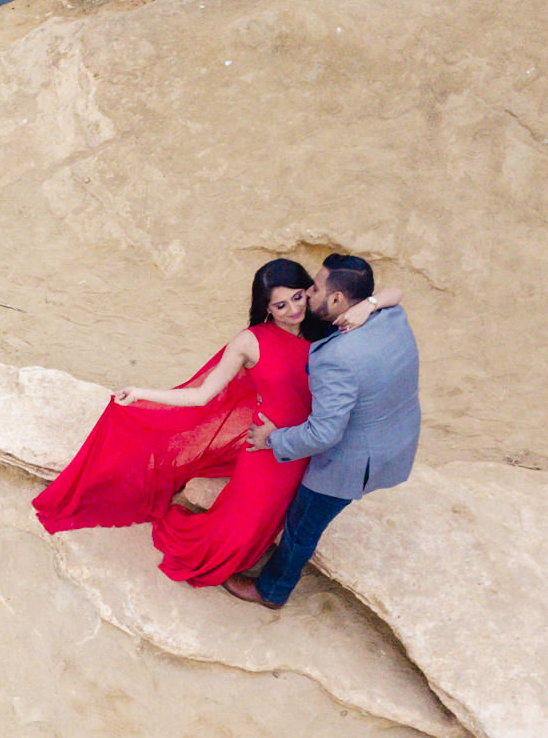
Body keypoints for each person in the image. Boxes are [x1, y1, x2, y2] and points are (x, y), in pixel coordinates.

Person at [31, 259, 400, 587]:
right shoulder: (250, 341)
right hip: (265, 448)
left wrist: (369, 305)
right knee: (236, 536)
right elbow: (200, 395)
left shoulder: (326, 325)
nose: (292, 310)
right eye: (280, 305)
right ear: (266, 308)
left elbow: (394, 294)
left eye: (298, 298)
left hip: (306, 447)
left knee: (268, 527)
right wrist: (143, 393)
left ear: (309, 292)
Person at [224, 257, 421, 608]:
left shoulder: (338, 357)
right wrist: (371, 304)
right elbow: (395, 294)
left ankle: (272, 590)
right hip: (396, 437)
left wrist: (271, 438)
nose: (307, 293)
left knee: (302, 526)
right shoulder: (390, 315)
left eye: (314, 289)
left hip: (351, 460)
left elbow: (323, 435)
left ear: (337, 301)